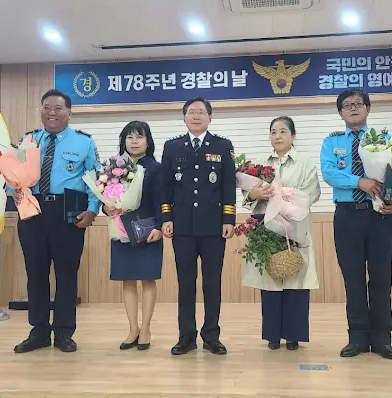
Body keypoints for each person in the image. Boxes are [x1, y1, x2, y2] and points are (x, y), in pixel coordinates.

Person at [320, 89, 392, 360]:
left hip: (381, 216)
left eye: (358, 104)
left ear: (368, 108)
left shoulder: (386, 140)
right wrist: (359, 182)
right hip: (347, 216)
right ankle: (357, 337)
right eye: (347, 105)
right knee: (353, 279)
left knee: (381, 278)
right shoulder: (332, 142)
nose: (353, 108)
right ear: (340, 112)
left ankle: (382, 339)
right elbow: (329, 172)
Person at [13, 89, 101, 354]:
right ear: (40, 111)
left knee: (66, 274)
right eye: (47, 108)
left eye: (58, 108)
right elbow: (13, 174)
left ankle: (64, 332)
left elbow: (95, 179)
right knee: (35, 273)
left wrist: (92, 210)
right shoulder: (28, 140)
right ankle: (39, 331)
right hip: (32, 210)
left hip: (68, 211)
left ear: (69, 113)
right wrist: (13, 190)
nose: (52, 113)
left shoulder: (84, 142)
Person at [160, 97, 236, 356]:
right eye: (191, 112)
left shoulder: (223, 146)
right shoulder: (172, 147)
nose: (196, 116)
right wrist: (166, 218)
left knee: (212, 284)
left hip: (214, 227)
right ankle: (186, 337)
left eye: (201, 112)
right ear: (184, 117)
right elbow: (165, 187)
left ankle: (211, 336)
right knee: (185, 284)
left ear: (210, 118)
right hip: (182, 228)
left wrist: (228, 219)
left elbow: (228, 186)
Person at [241, 116, 321, 350]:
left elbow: (311, 194)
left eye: (283, 131)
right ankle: (273, 335)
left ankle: (293, 335)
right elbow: (248, 197)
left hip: (294, 226)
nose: (278, 136)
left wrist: (284, 202)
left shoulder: (305, 164)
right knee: (271, 281)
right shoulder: (258, 164)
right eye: (273, 132)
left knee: (296, 279)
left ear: (293, 136)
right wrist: (255, 194)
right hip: (266, 227)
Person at [104, 121, 163, 351]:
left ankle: (146, 328)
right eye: (130, 137)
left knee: (147, 279)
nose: (134, 141)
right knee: (127, 279)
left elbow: (163, 201)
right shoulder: (113, 167)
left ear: (148, 141)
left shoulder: (156, 168)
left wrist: (159, 226)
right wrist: (106, 208)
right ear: (124, 141)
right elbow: (105, 195)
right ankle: (132, 329)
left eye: (139, 137)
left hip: (148, 230)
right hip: (121, 230)